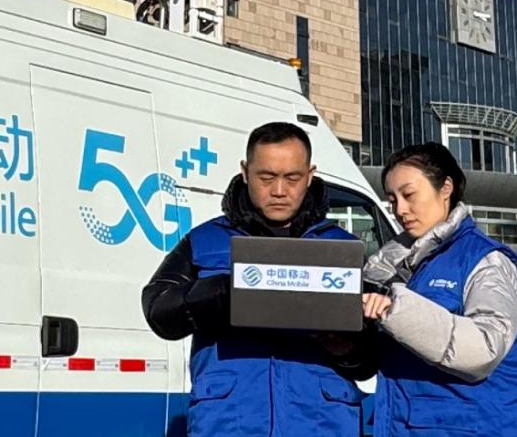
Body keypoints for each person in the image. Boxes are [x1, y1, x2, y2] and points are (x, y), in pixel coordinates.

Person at [141, 122, 374, 436]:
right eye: (266, 177)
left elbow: (372, 358)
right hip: (230, 422)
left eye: (292, 178)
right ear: (245, 172)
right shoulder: (205, 240)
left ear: (310, 175)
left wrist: (348, 349)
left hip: (321, 422)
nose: (279, 190)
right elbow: (159, 309)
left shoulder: (344, 249)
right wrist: (222, 294)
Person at [361, 143, 517, 437]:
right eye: (392, 199)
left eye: (409, 195)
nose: (400, 210)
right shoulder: (391, 269)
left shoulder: (486, 261)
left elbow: (484, 347)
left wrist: (396, 310)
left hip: (471, 428)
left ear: (445, 188)